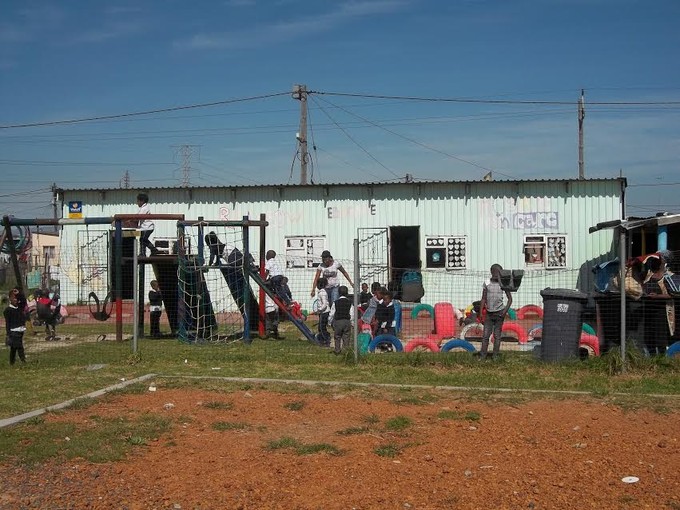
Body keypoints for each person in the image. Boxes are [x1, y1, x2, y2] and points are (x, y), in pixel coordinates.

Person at [479, 264, 513, 360]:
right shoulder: (487, 283)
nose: (496, 274)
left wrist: (505, 311)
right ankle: (482, 356)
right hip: (489, 314)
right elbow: (483, 299)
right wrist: (481, 313)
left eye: (498, 272)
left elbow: (510, 299)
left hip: (499, 313)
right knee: (485, 336)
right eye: (494, 272)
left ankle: (495, 356)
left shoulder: (503, 284)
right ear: (491, 272)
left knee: (497, 336)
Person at [4, 289, 28, 365]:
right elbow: (7, 323)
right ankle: (23, 361)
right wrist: (8, 334)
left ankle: (12, 362)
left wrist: (19, 294)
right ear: (10, 299)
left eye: (16, 298)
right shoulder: (8, 310)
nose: (16, 300)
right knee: (19, 346)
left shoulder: (19, 308)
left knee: (14, 348)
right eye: (14, 298)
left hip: (20, 330)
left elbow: (24, 301)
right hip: (14, 331)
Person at [329, 285, 354, 355]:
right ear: (347, 293)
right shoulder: (350, 302)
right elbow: (352, 313)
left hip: (338, 321)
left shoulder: (335, 302)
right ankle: (346, 351)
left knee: (337, 336)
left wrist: (330, 322)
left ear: (338, 293)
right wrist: (351, 321)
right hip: (347, 321)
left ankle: (337, 350)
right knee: (346, 336)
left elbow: (332, 313)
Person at [314, 277, 331, 346]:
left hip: (324, 312)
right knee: (320, 327)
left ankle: (327, 340)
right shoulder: (321, 292)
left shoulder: (322, 293)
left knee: (322, 327)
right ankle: (322, 339)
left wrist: (319, 310)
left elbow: (324, 304)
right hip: (322, 312)